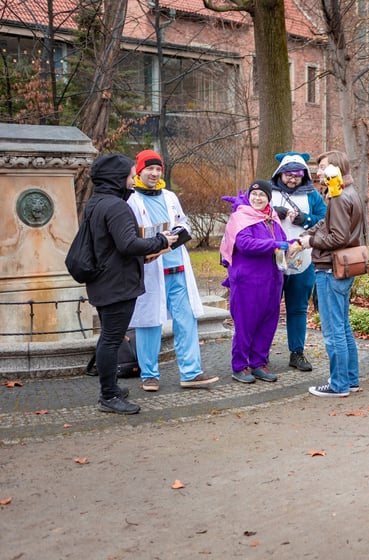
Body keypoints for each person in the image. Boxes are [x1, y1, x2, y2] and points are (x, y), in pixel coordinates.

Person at [81, 154, 176, 414]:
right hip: (117, 283)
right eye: (130, 174)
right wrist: (162, 241)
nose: (133, 179)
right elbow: (129, 244)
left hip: (102, 280)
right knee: (111, 340)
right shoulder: (116, 206)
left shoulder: (96, 203)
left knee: (108, 338)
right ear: (116, 177)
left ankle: (110, 388)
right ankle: (109, 396)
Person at [127, 150, 219, 391]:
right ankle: (149, 374)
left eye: (158, 169)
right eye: (150, 169)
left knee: (186, 319)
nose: (155, 173)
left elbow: (183, 220)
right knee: (149, 321)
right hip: (150, 269)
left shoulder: (169, 196)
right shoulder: (131, 200)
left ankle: (191, 372)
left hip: (176, 267)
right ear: (139, 171)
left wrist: (179, 232)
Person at [304, 151, 366, 398]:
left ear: (335, 169)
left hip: (330, 268)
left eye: (322, 167)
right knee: (343, 326)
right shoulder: (348, 193)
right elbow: (330, 225)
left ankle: (338, 384)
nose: (317, 172)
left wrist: (310, 241)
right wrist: (312, 232)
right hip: (340, 268)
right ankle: (349, 380)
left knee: (333, 331)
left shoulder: (339, 197)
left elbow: (338, 237)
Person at [220, 181, 287, 383]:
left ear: (269, 198)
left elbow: (282, 240)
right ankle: (239, 366)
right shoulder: (240, 217)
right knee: (246, 323)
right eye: (254, 194)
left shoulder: (271, 217)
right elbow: (245, 244)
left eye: (262, 195)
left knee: (268, 322)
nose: (257, 198)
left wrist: (295, 245)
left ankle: (259, 362)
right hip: (247, 280)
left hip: (272, 280)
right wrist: (275, 244)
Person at [270, 152, 327, 371]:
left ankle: (297, 352)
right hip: (272, 258)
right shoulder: (268, 191)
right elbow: (248, 211)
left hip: (302, 260)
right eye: (288, 175)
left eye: (297, 175)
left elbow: (325, 219)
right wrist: (275, 212)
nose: (293, 179)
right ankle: (260, 352)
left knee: (298, 309)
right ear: (280, 174)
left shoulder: (312, 195)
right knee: (268, 307)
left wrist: (306, 219)